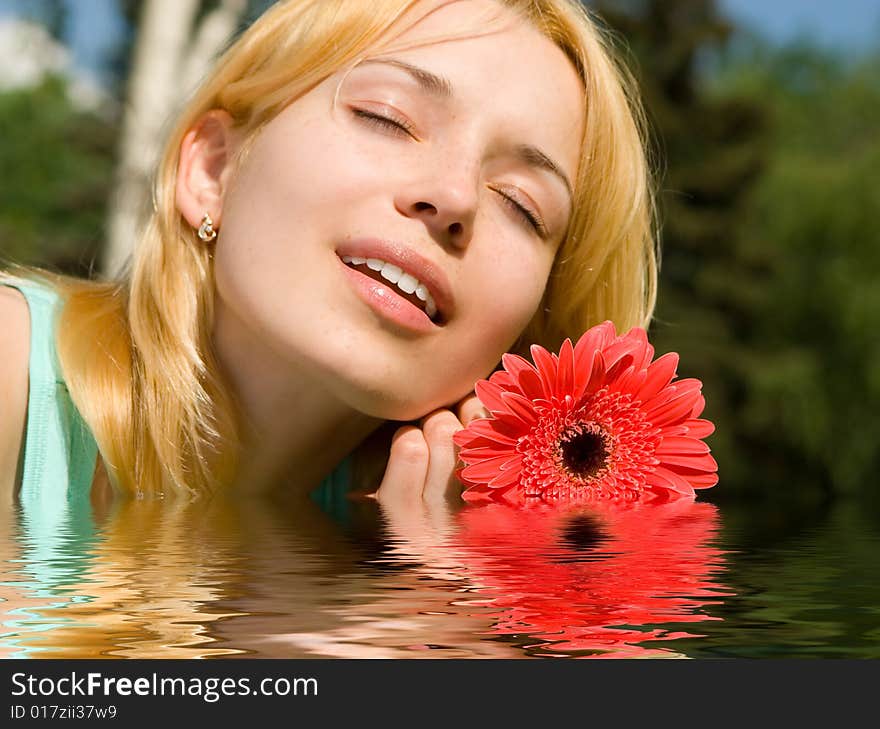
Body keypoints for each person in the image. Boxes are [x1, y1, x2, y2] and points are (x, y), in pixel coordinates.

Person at [0, 0, 658, 515]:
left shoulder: (453, 549)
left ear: (534, 331)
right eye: (387, 117)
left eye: (521, 204)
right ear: (213, 169)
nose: (455, 196)